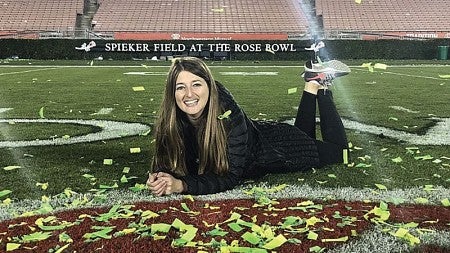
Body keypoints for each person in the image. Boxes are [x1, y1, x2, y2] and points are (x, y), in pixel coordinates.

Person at [147, 57, 349, 196]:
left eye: (196, 84)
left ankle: (322, 88)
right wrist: (159, 177)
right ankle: (311, 82)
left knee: (340, 153)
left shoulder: (228, 117)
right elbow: (166, 162)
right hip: (263, 135)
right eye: (181, 87)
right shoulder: (170, 120)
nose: (189, 94)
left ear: (209, 86)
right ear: (172, 94)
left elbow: (231, 177)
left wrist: (182, 185)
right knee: (304, 136)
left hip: (278, 151)